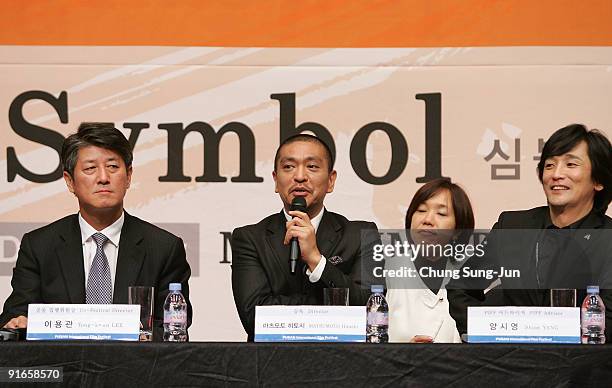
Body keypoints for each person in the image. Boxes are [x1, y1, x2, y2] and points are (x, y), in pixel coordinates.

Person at [0, 122, 192, 340]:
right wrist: (18, 322)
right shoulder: (40, 246)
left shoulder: (163, 248)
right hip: (63, 369)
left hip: (135, 370)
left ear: (128, 176)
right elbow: (17, 314)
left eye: (112, 167)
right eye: (90, 168)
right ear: (70, 181)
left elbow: (173, 331)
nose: (103, 177)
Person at [447, 124, 612, 340]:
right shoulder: (514, 226)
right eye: (550, 165)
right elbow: (463, 286)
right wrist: (483, 333)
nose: (556, 174)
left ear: (598, 180)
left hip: (582, 368)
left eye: (571, 164)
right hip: (512, 364)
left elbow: (608, 317)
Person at [231, 134, 379, 340]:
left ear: (331, 180)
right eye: (289, 167)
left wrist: (316, 261)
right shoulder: (250, 238)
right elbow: (253, 318)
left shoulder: (362, 235)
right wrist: (329, 310)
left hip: (345, 364)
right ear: (275, 180)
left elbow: (372, 309)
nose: (300, 176)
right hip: (270, 364)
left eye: (312, 167)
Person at [386, 179, 474, 343]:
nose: (427, 219)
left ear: (458, 230)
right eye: (421, 210)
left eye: (441, 213)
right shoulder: (386, 269)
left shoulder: (470, 276)